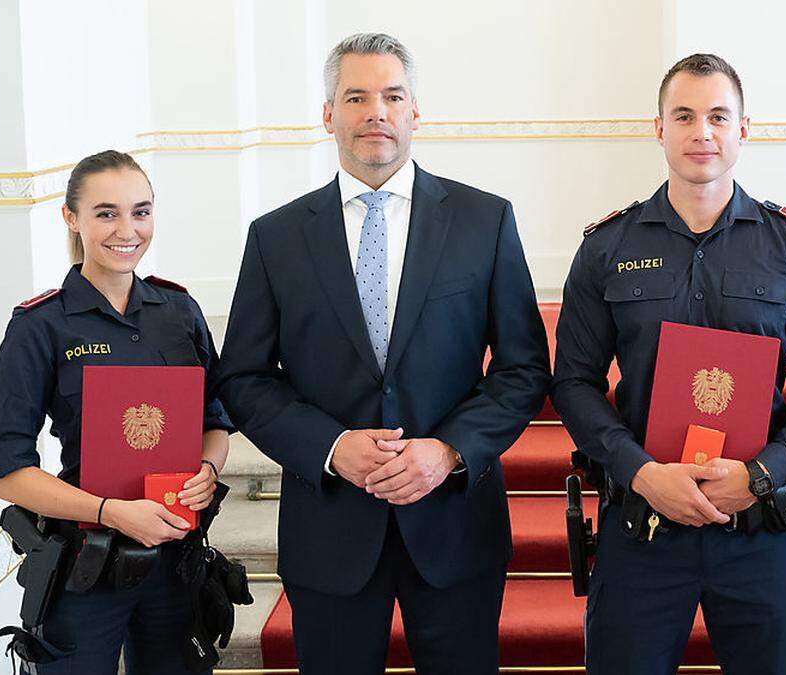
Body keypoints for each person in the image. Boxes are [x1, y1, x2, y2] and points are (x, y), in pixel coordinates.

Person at [216, 33, 550, 673]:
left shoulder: (485, 220)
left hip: (454, 524)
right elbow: (245, 378)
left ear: (415, 111)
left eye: (393, 96)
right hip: (331, 529)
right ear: (328, 115)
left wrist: (449, 451)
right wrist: (331, 447)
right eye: (357, 97)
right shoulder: (276, 237)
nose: (376, 112)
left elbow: (523, 367)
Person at [550, 53, 786, 674]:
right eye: (684, 116)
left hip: (758, 525)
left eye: (719, 116)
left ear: (743, 129)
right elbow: (573, 382)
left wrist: (764, 473)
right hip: (641, 525)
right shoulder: (607, 247)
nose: (703, 132)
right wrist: (639, 472)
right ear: (658, 128)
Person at [0, 149, 234, 674]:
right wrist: (111, 512)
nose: (127, 229)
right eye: (106, 212)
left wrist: (207, 470)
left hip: (176, 558)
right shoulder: (39, 326)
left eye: (140, 211)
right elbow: (3, 472)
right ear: (71, 218)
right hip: (86, 563)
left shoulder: (179, 312)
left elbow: (215, 420)